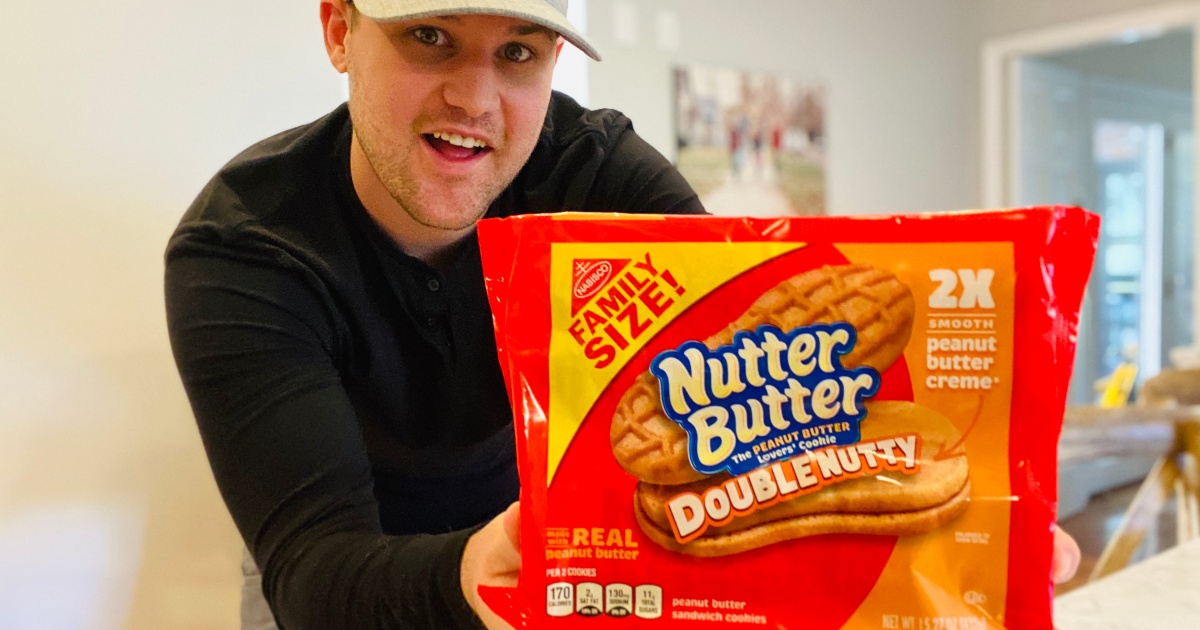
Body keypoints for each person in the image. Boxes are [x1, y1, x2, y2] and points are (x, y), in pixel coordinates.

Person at [165, 1, 1080, 628]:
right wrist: (492, 566)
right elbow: (314, 574)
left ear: (555, 59)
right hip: (352, 571)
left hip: (540, 530)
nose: (475, 100)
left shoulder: (601, 178)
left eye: (517, 52)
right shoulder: (247, 248)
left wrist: (965, 536)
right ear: (338, 26)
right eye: (432, 37)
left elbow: (759, 366)